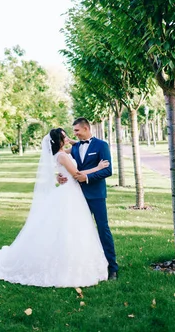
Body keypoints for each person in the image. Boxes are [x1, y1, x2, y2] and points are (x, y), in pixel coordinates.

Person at [0, 128, 109, 287]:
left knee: (71, 228)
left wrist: (68, 145)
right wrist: (98, 168)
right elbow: (77, 174)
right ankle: (65, 264)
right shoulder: (62, 156)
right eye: (64, 137)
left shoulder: (61, 154)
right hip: (70, 194)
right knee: (68, 228)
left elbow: (74, 147)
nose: (68, 138)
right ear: (59, 140)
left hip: (71, 193)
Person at [59, 117, 119, 280]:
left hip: (96, 195)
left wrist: (87, 178)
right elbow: (62, 163)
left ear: (86, 128)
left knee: (103, 229)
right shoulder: (76, 147)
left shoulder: (101, 145)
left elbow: (107, 171)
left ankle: (112, 267)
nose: (75, 134)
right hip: (77, 195)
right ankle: (83, 265)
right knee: (79, 231)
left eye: (77, 130)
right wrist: (59, 176)